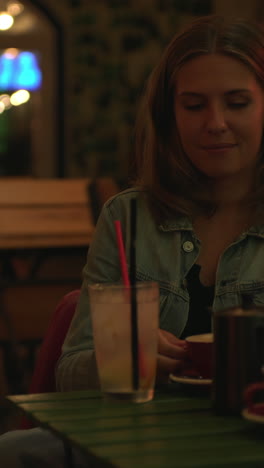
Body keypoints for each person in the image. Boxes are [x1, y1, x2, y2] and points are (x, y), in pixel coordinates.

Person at [1, 13, 264, 467]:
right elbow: (70, 373)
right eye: (194, 105)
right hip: (135, 442)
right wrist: (120, 356)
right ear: (169, 114)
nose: (216, 123)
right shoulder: (129, 216)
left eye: (237, 102)